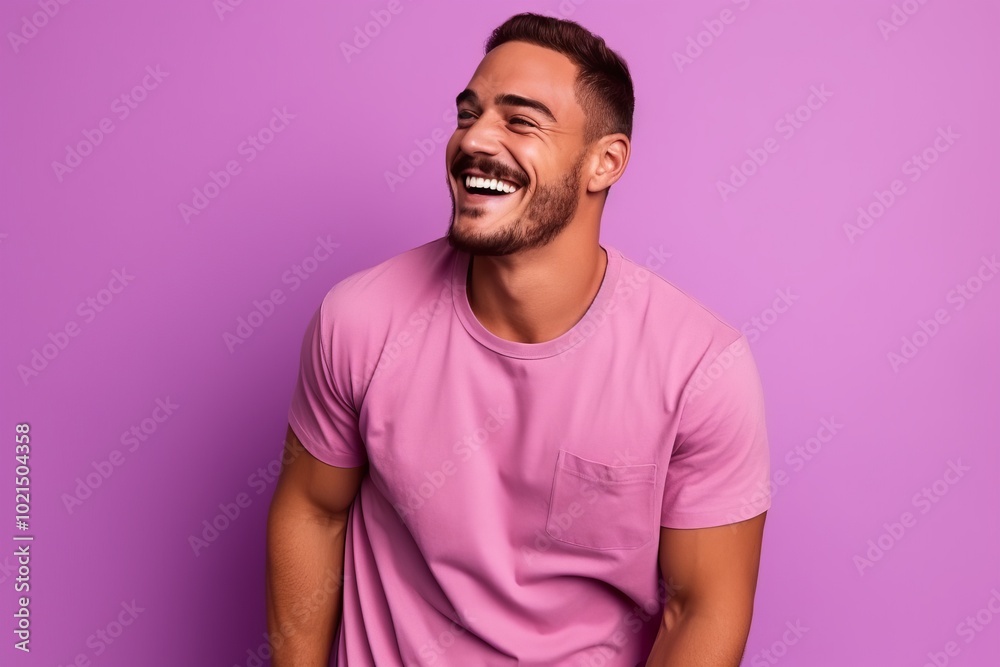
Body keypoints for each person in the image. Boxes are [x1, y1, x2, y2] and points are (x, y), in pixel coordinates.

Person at [266, 12, 771, 666]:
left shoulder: (700, 369)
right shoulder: (360, 319)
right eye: (468, 113)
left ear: (605, 161)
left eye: (520, 120)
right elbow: (312, 510)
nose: (475, 138)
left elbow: (701, 609)